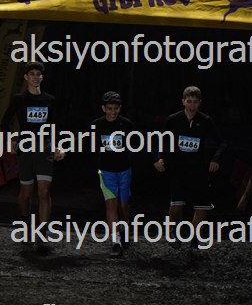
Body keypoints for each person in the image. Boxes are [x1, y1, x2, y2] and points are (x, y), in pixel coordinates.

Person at [1, 62, 64, 252]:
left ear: (42, 77)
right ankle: (26, 222)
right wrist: (11, 142)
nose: (36, 77)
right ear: (26, 77)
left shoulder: (50, 100)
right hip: (26, 150)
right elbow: (5, 122)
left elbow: (57, 126)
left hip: (45, 150)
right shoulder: (19, 99)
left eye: (38, 74)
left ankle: (42, 234)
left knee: (44, 192)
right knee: (25, 194)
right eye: (32, 74)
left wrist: (60, 147)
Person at [153, 86, 226, 249]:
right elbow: (160, 140)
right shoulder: (173, 119)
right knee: (176, 205)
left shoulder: (205, 120)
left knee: (201, 206)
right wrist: (159, 159)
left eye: (195, 102)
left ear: (200, 103)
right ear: (183, 101)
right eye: (189, 101)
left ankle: (194, 237)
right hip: (178, 169)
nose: (192, 105)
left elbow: (222, 143)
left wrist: (215, 159)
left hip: (198, 170)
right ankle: (173, 232)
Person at [92, 91, 135, 258]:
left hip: (124, 171)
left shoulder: (126, 124)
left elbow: (140, 143)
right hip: (106, 172)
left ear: (120, 108)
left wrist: (155, 161)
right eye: (109, 108)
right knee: (111, 204)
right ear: (103, 108)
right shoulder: (97, 125)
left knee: (123, 206)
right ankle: (115, 242)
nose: (112, 112)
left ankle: (125, 228)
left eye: (116, 108)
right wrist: (65, 151)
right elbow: (82, 140)